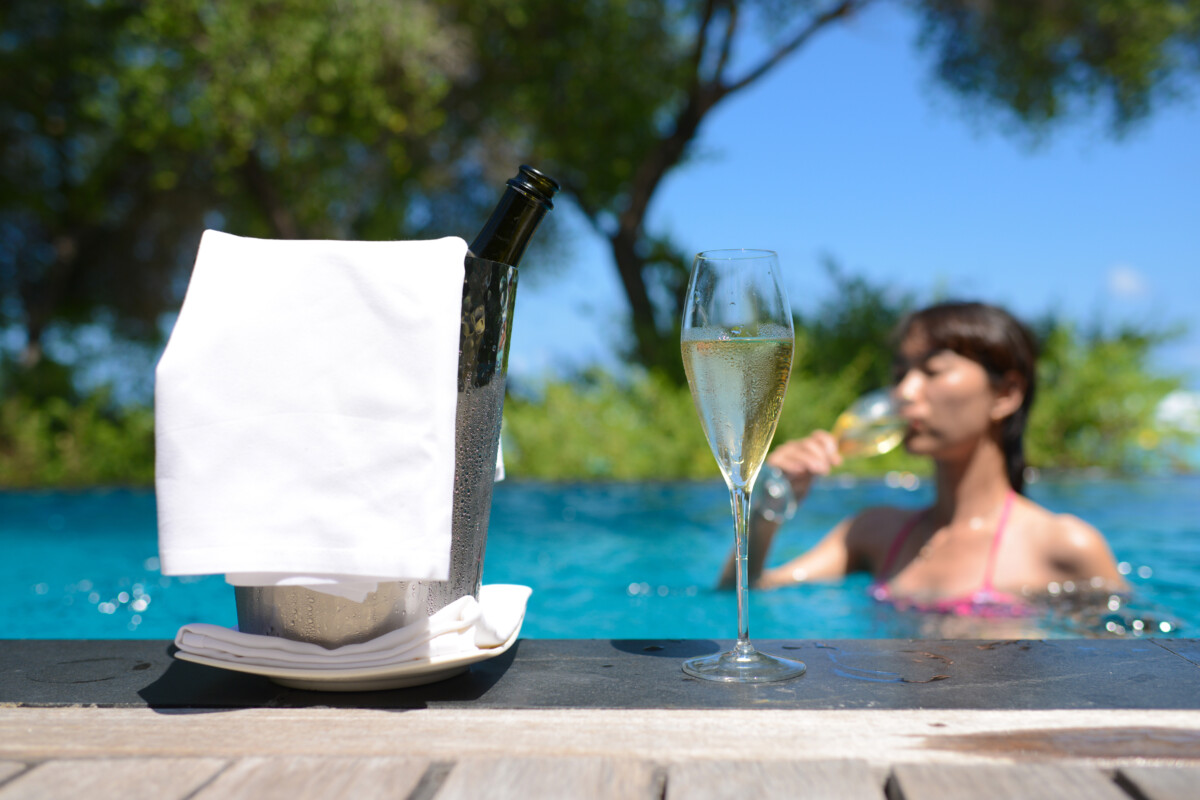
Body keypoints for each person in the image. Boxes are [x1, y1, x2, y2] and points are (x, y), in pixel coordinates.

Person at [719, 301, 1124, 615]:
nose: (906, 392)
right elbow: (739, 597)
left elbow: (1129, 671)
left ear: (1006, 394)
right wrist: (768, 505)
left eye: (932, 371)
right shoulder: (872, 532)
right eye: (901, 374)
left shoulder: (1063, 545)